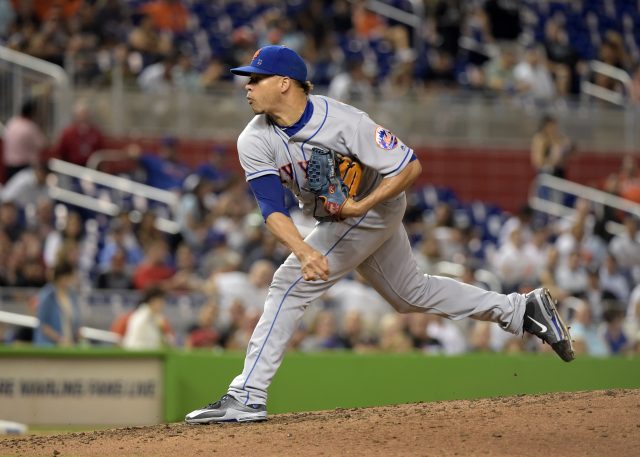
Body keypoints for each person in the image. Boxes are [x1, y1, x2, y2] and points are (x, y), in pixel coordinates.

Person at [185, 45, 575, 424]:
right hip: (336, 216)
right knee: (410, 294)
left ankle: (248, 396)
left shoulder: (344, 121)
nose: (246, 86)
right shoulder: (254, 139)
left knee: (288, 285)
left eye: (255, 79)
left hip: (372, 209)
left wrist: (362, 205)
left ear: (285, 83)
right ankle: (520, 310)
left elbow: (408, 167)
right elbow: (270, 209)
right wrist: (304, 249)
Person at [33, 261, 80, 347]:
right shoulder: (46, 295)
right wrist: (59, 339)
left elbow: (75, 321)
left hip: (69, 345)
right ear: (63, 277)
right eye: (70, 276)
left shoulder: (72, 295)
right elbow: (43, 325)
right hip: (49, 346)